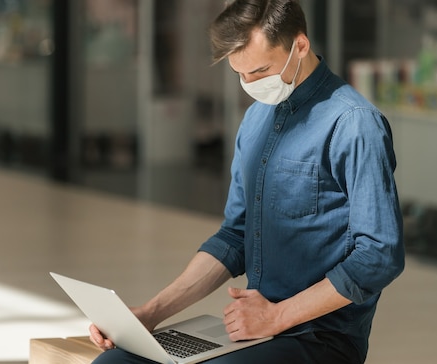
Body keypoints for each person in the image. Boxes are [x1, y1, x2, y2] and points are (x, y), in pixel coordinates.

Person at [89, 0, 405, 363]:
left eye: (259, 71)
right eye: (239, 74)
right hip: (254, 332)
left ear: (300, 46)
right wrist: (151, 312)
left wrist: (276, 317)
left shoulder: (355, 124)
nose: (250, 84)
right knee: (113, 362)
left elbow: (380, 256)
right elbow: (235, 236)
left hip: (319, 339)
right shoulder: (256, 119)